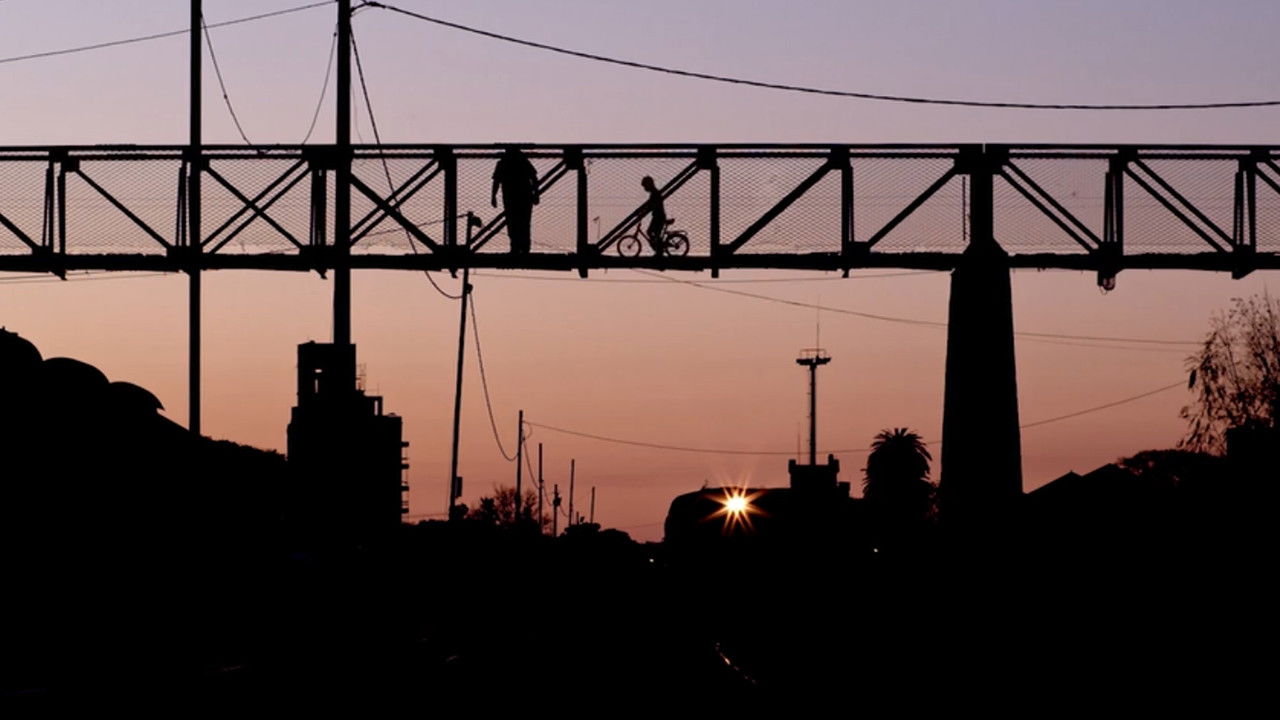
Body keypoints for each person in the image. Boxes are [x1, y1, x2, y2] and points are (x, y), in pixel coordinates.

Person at [491, 147, 539, 254]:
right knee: (524, 222)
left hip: (511, 197)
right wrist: (536, 194)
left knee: (513, 222)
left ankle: (516, 247)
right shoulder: (523, 161)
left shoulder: (503, 163)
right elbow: (534, 178)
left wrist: (493, 196)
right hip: (524, 196)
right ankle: (523, 248)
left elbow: (496, 181)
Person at [640, 176, 666, 255]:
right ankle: (658, 248)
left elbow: (650, 206)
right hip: (658, 216)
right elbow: (650, 205)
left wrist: (643, 212)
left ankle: (659, 249)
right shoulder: (654, 192)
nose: (645, 188)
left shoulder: (654, 193)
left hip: (658, 217)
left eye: (645, 186)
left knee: (654, 233)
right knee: (653, 232)